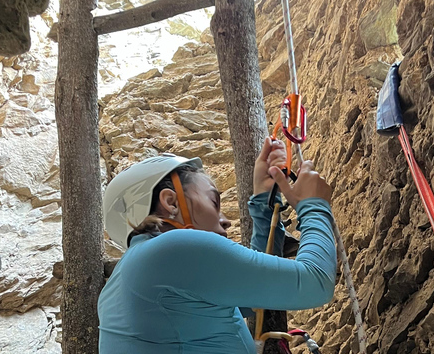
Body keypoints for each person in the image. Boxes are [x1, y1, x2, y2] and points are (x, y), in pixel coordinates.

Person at [98, 138, 337, 354]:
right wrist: (313, 204)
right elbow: (315, 283)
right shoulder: (173, 249)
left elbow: (256, 295)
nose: (225, 220)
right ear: (170, 202)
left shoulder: (132, 275)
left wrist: (265, 203)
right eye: (214, 201)